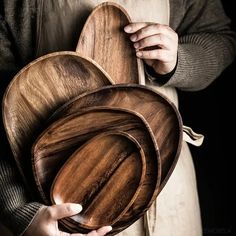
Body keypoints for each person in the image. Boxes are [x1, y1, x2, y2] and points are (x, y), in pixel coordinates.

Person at [0, 0, 235, 235]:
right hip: (53, 208)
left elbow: (221, 38)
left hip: (167, 188)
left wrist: (179, 60)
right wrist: (22, 213)